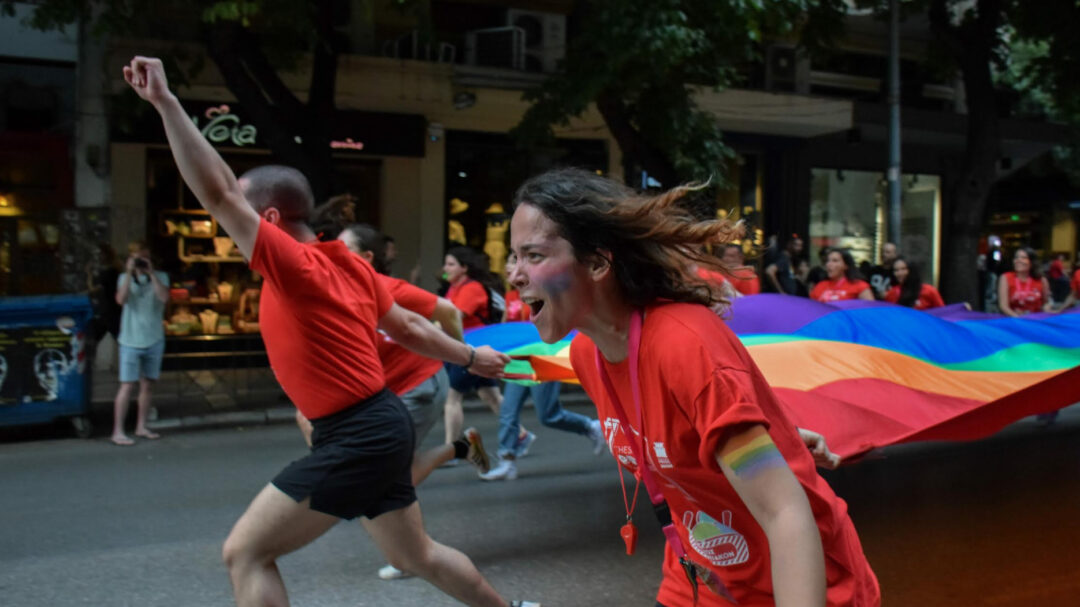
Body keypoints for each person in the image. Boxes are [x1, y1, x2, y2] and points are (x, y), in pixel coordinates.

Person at [122, 56, 539, 607]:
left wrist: (166, 102)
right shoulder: (348, 264)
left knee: (244, 553)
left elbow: (219, 193)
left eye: (243, 220)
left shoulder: (292, 264)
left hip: (358, 433)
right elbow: (410, 324)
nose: (231, 231)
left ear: (267, 221)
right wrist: (469, 355)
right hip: (379, 423)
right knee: (416, 556)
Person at [506, 167, 879, 606]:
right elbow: (685, 432)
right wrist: (772, 438)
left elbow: (785, 511)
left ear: (597, 262)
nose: (513, 274)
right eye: (514, 257)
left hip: (797, 583)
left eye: (533, 256)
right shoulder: (589, 355)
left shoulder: (685, 346)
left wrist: (766, 448)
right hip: (699, 579)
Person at [300, 222, 492, 581]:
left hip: (418, 385)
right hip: (386, 392)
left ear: (366, 257)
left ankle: (409, 555)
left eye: (345, 249)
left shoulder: (384, 286)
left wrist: (461, 355)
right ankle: (461, 449)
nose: (333, 255)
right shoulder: (332, 291)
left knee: (387, 477)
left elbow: (448, 312)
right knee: (384, 474)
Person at [480, 253, 606, 482]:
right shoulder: (509, 296)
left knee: (548, 415)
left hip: (543, 358)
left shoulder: (542, 292)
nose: (511, 269)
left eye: (516, 263)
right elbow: (507, 329)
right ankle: (507, 460)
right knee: (508, 410)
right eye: (510, 263)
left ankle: (590, 427)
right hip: (518, 361)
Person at [441, 246, 521, 456]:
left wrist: (428, 330)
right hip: (462, 347)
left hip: (470, 349)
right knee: (491, 395)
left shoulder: (472, 288)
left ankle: (451, 449)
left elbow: (455, 316)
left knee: (453, 397)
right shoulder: (454, 288)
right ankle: (520, 435)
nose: (445, 268)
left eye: (450, 264)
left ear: (464, 268)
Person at [110, 241, 169, 446]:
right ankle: (117, 431)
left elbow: (163, 297)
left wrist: (151, 274)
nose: (143, 262)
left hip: (154, 338)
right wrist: (128, 273)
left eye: (146, 258)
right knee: (127, 385)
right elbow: (121, 299)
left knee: (147, 386)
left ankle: (141, 426)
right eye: (139, 258)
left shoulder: (160, 277)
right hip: (130, 340)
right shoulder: (122, 278)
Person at [997, 247, 1053, 317]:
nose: (1018, 260)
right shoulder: (1005, 278)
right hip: (1014, 320)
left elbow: (1046, 302)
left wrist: (1047, 307)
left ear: (1032, 262)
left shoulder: (1042, 280)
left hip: (1035, 321)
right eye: (1016, 257)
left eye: (1024, 258)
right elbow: (1003, 306)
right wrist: (1019, 319)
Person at [809, 249, 874, 303]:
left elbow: (869, 311)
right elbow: (811, 309)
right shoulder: (820, 286)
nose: (829, 264)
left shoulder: (859, 286)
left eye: (835, 261)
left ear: (846, 266)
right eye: (827, 261)